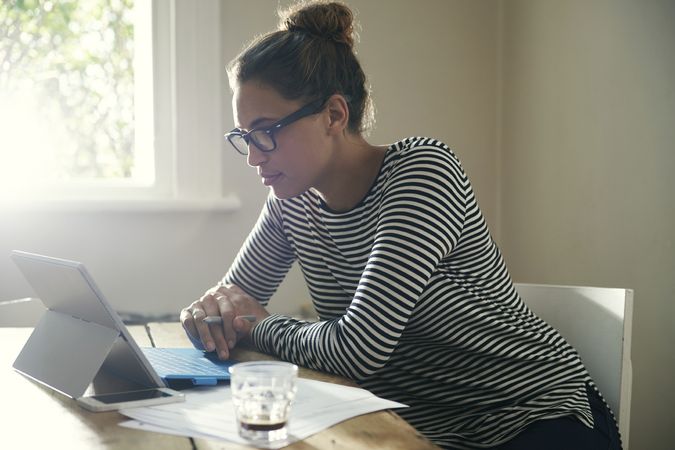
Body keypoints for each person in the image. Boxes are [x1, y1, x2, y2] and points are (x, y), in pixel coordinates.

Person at [180, 1, 622, 448]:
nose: (254, 156)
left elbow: (358, 349)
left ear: (334, 114)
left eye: (265, 131)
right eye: (244, 137)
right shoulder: (290, 202)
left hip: (528, 414)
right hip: (420, 429)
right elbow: (230, 306)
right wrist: (203, 317)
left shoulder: (422, 172)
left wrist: (257, 325)